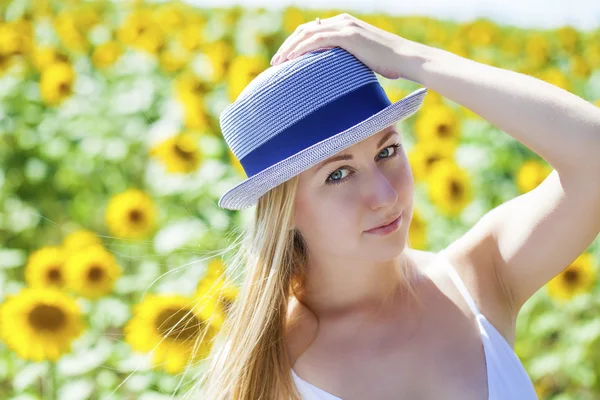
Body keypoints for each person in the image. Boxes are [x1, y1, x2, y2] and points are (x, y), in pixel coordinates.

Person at [188, 13, 600, 400]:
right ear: (285, 210)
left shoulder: (477, 280)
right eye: (338, 174)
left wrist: (411, 57)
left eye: (388, 150)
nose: (386, 196)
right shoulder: (266, 368)